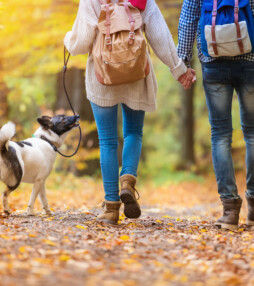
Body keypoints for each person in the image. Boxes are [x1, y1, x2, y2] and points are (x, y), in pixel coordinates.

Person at [64, 0, 196, 225]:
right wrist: (179, 70)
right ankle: (128, 180)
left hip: (102, 77)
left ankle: (110, 208)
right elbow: (160, 38)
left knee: (107, 141)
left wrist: (68, 38)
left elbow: (80, 43)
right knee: (133, 132)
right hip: (137, 74)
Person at [177, 0, 254, 230]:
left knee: (220, 135)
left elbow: (188, 20)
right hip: (250, 60)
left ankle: (230, 211)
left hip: (213, 62)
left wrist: (183, 63)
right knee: (252, 134)